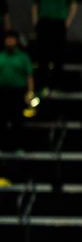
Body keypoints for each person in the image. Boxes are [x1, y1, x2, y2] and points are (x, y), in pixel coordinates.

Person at [30, 0, 77, 91]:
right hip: (44, 22)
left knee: (59, 53)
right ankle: (42, 82)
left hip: (58, 22)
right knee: (42, 53)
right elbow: (35, 5)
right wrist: (35, 21)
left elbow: (73, 5)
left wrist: (68, 21)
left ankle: (57, 83)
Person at [0, 32, 35, 167]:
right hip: (2, 93)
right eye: (7, 39)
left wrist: (30, 93)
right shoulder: (1, 56)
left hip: (17, 93)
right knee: (1, 121)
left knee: (17, 121)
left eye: (11, 39)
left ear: (16, 41)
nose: (9, 42)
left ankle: (19, 147)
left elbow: (29, 76)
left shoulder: (23, 57)